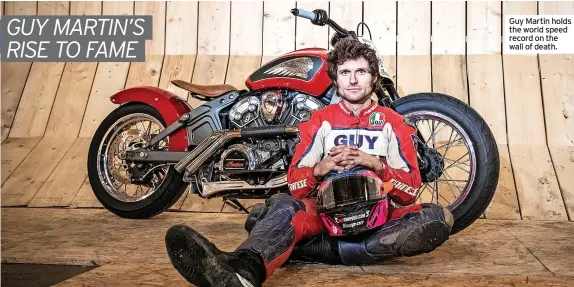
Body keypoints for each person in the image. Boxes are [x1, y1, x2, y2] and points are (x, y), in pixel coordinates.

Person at [164, 37, 454, 287]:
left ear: (374, 78)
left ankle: (303, 249)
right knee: (282, 205)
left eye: (361, 72)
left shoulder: (394, 123)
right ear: (336, 78)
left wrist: (376, 164)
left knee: (436, 218)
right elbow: (296, 185)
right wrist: (320, 168)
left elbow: (410, 191)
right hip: (326, 215)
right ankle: (243, 272)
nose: (353, 80)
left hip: (378, 217)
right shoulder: (318, 121)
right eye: (345, 72)